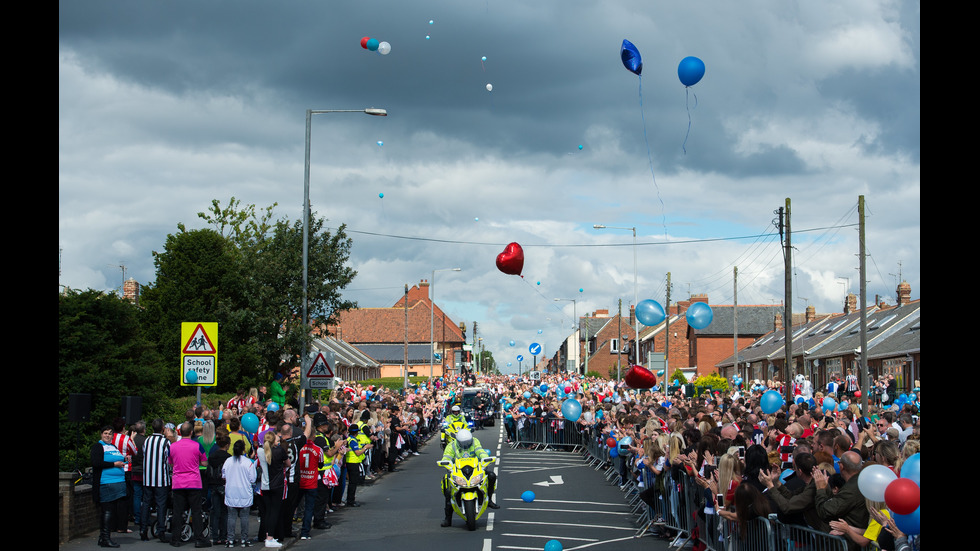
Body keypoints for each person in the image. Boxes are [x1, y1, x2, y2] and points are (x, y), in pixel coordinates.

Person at [439, 428, 498, 528]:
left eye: (467, 442)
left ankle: (490, 499)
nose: (466, 444)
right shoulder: (451, 445)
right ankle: (448, 519)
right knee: (447, 486)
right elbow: (447, 456)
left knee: (491, 475)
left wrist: (485, 458)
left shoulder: (475, 441)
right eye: (463, 442)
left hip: (475, 469)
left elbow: (480, 451)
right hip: (458, 470)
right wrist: (446, 463)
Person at [813, 451, 870, 551]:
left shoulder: (851, 490)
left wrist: (820, 489)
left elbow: (825, 511)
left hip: (848, 544)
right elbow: (838, 504)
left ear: (842, 466)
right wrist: (826, 488)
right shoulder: (860, 482)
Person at [169, 421, 211, 548]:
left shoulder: (173, 446)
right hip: (193, 482)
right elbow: (204, 463)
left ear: (180, 432)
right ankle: (199, 538)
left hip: (178, 482)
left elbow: (171, 463)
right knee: (196, 511)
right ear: (191, 432)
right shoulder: (197, 446)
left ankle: (175, 538)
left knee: (177, 512)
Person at [92, 425, 127, 548]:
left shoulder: (113, 446)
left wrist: (124, 460)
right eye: (105, 433)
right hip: (106, 482)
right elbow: (96, 463)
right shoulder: (98, 446)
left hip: (118, 482)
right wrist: (114, 464)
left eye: (110, 434)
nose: (108, 435)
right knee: (108, 511)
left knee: (112, 510)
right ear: (101, 434)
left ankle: (103, 538)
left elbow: (117, 460)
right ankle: (106, 538)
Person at [141, 418, 173, 543]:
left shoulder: (147, 440)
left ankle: (143, 530)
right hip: (161, 479)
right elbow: (169, 460)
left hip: (147, 478)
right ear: (163, 429)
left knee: (146, 504)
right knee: (161, 506)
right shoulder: (165, 442)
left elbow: (144, 454)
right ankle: (161, 531)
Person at [222, 439, 256, 548]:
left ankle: (230, 539)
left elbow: (223, 476)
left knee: (231, 517)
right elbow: (253, 478)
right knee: (244, 517)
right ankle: (244, 539)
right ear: (243, 450)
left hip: (231, 492)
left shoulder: (228, 461)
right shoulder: (248, 463)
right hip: (245, 493)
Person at [297, 435, 324, 540]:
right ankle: (305, 532)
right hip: (311, 482)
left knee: (294, 505)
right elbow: (320, 464)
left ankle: (287, 529)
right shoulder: (318, 449)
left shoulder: (299, 448)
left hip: (300, 480)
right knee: (309, 508)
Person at [207, 435, 232, 546]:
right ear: (227, 445)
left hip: (213, 484)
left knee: (215, 511)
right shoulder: (228, 457)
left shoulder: (212, 456)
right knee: (225, 511)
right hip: (224, 484)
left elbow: (209, 470)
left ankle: (215, 536)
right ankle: (224, 535)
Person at [344, 423, 372, 506]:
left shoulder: (349, 439)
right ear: (356, 433)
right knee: (353, 482)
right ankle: (350, 500)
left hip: (351, 462)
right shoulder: (353, 440)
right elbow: (358, 452)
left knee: (352, 482)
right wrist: (365, 448)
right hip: (353, 462)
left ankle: (350, 499)